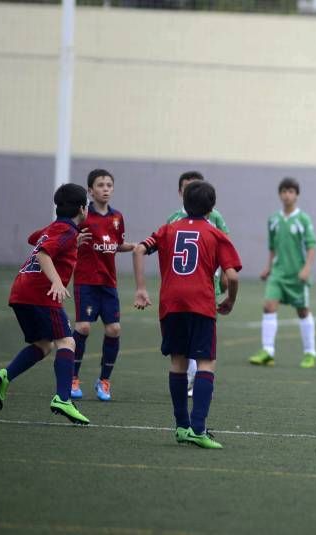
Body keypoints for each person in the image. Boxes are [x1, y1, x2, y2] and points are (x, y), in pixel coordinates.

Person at [133, 180, 241, 449]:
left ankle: (181, 427)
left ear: (184, 203)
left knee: (178, 363)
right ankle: (199, 429)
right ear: (212, 207)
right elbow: (232, 275)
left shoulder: (168, 229)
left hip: (170, 303)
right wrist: (230, 299)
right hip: (200, 304)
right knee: (206, 363)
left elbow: (138, 249)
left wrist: (141, 288)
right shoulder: (216, 234)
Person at [0, 183, 91, 425]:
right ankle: (63, 398)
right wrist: (56, 281)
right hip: (40, 294)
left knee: (43, 345)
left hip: (20, 291)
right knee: (67, 341)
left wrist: (71, 238)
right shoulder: (67, 232)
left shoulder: (59, 229)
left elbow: (34, 238)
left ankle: (5, 375)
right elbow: (44, 252)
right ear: (82, 209)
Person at [71, 169, 135, 402]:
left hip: (108, 283)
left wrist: (136, 247)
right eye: (100, 185)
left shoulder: (117, 217)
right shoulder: (82, 217)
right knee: (84, 327)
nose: (105, 189)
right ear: (90, 190)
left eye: (109, 185)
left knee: (114, 329)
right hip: (86, 282)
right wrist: (74, 242)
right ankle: (72, 376)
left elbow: (116, 245)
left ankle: (104, 380)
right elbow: (67, 241)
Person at [167, 171, 231, 397]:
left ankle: (193, 376)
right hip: (182, 286)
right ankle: (194, 375)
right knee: (190, 336)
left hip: (207, 281)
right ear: (180, 193)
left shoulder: (215, 219)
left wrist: (224, 273)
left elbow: (226, 248)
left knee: (199, 332)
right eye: (186, 188)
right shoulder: (173, 221)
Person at [248, 177, 316, 368]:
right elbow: (272, 247)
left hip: (297, 274)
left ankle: (310, 353)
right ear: (280, 194)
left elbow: (312, 246)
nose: (287, 195)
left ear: (296, 195)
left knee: (303, 311)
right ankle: (267, 351)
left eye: (291, 191)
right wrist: (268, 267)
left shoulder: (303, 219)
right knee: (268, 306)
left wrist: (306, 268)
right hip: (278, 273)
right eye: (284, 191)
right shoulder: (273, 220)